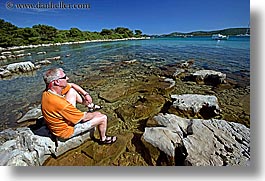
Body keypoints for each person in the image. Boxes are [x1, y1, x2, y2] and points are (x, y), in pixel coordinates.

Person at [41, 67, 117, 144]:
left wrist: (85, 94)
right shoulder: (61, 104)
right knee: (103, 117)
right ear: (57, 82)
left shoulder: (48, 92)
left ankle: (88, 104)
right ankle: (103, 139)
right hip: (65, 131)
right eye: (64, 77)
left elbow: (72, 85)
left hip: (59, 120)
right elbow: (83, 119)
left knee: (72, 91)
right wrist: (95, 114)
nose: (67, 78)